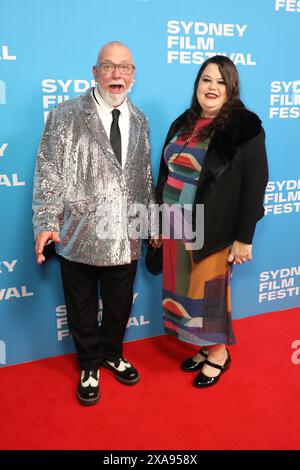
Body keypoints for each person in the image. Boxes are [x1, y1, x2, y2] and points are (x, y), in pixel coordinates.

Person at [33, 41, 158, 405]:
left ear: (133, 75)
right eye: (108, 66)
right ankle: (89, 364)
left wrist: (150, 224)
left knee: (119, 306)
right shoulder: (65, 114)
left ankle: (112, 353)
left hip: (126, 235)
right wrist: (45, 220)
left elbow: (142, 176)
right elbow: (48, 174)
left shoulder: (142, 120)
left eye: (124, 68)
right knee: (82, 305)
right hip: (78, 233)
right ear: (95, 72)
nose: (116, 75)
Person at [156, 56, 268, 388]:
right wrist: (156, 223)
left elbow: (255, 184)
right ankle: (204, 347)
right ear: (197, 85)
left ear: (231, 88)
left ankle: (218, 352)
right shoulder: (183, 122)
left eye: (221, 82)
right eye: (206, 80)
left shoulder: (244, 127)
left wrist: (244, 237)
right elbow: (165, 175)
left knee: (209, 293)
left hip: (212, 228)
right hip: (174, 226)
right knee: (184, 290)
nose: (212, 87)